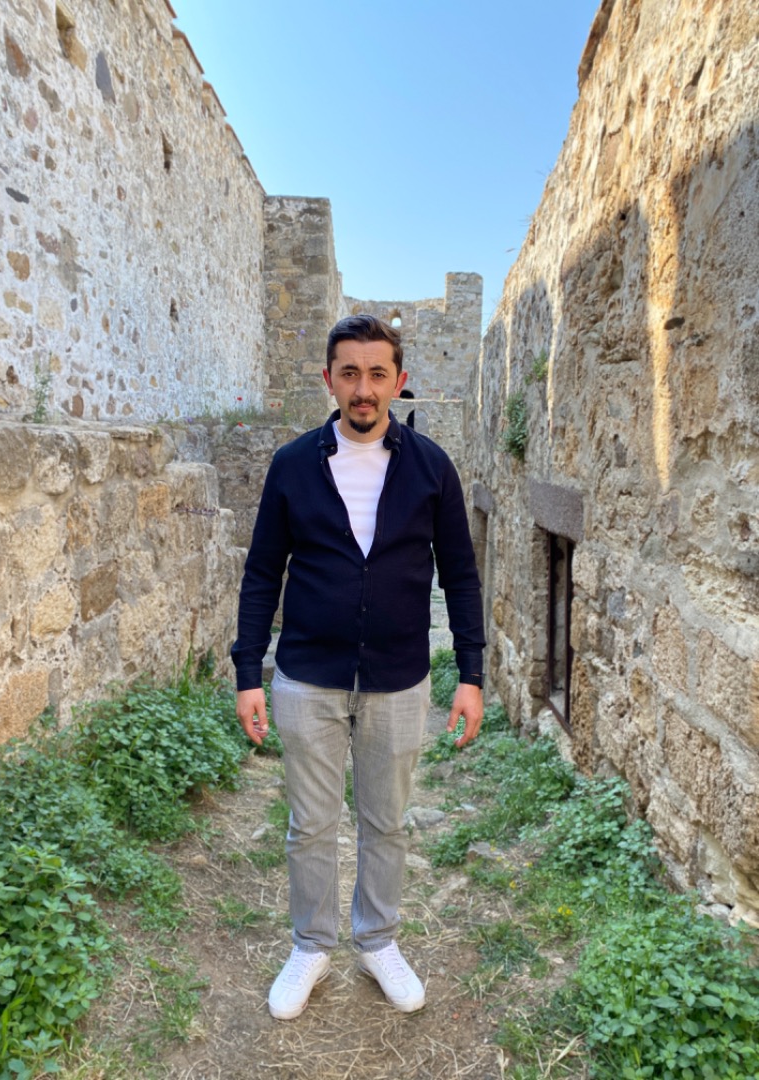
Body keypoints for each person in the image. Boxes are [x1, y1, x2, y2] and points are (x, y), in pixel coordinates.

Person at [232, 314, 485, 1021]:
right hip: (306, 677)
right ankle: (311, 946)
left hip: (399, 680)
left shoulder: (432, 467)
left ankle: (377, 941)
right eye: (350, 373)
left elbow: (461, 576)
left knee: (386, 823)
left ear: (399, 382)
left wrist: (471, 675)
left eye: (377, 374)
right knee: (310, 825)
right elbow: (262, 574)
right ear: (329, 380)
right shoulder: (293, 464)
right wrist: (248, 673)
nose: (364, 388)